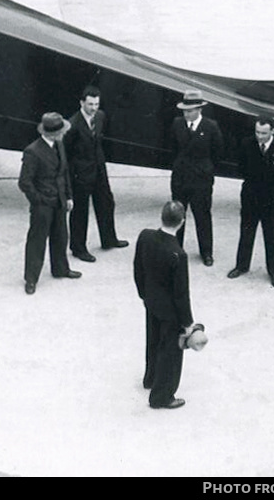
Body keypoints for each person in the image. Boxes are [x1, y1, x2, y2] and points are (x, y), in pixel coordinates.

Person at [134, 200, 198, 409]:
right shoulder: (178, 255)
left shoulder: (145, 236)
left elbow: (138, 268)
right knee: (170, 353)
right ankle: (161, 396)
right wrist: (188, 323)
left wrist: (144, 294)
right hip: (170, 312)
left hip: (151, 301)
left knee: (152, 342)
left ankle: (150, 378)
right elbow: (181, 294)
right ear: (182, 222)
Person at [18, 112, 81, 294]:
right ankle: (31, 279)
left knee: (61, 236)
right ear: (52, 133)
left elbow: (64, 172)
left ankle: (61, 268)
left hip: (59, 200)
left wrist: (68, 196)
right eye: (61, 131)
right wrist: (39, 201)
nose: (63, 134)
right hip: (43, 205)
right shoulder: (33, 151)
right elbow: (25, 182)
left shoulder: (59, 145)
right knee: (37, 241)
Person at [64, 85, 127, 262]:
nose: (93, 108)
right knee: (80, 212)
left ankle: (109, 239)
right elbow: (66, 156)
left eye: (96, 104)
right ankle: (78, 248)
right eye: (90, 104)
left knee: (106, 203)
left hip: (98, 170)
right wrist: (70, 180)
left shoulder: (100, 117)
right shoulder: (72, 125)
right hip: (80, 175)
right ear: (81, 102)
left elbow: (99, 143)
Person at [228, 117, 274, 288]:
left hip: (273, 202)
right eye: (257, 132)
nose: (259, 136)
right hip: (251, 199)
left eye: (263, 133)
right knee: (246, 233)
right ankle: (241, 266)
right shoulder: (246, 144)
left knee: (273, 237)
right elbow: (241, 168)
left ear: (272, 131)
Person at [169, 90, 224, 266]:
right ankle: (176, 250)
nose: (186, 113)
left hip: (201, 180)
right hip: (181, 179)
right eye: (184, 110)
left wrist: (206, 169)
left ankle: (206, 252)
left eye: (190, 110)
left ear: (199, 109)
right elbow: (172, 149)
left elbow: (218, 153)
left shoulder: (211, 126)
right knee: (177, 216)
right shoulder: (177, 124)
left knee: (203, 216)